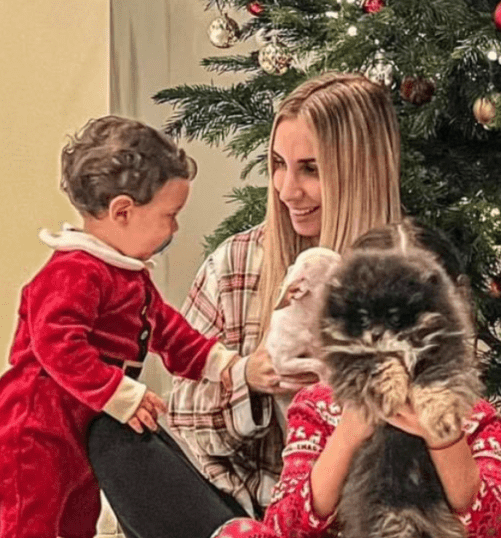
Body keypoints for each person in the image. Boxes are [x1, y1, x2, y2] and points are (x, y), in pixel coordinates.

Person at [87, 72, 402, 538]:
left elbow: (443, 429)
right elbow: (188, 417)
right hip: (234, 508)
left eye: (311, 169)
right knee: (112, 428)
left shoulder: (413, 281)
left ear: (361, 171)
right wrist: (249, 380)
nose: (286, 189)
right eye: (278, 164)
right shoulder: (237, 262)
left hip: (357, 514)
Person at [0, 116, 239, 538]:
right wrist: (118, 392)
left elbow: (169, 330)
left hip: (82, 430)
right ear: (123, 211)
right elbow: (57, 343)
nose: (175, 229)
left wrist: (222, 364)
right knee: (30, 521)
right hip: (35, 430)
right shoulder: (73, 272)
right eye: (170, 215)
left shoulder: (128, 277)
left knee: (78, 518)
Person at [212, 219, 501, 538]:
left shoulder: (478, 419)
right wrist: (348, 434)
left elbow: (500, 531)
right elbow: (284, 527)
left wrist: (445, 438)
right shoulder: (319, 407)